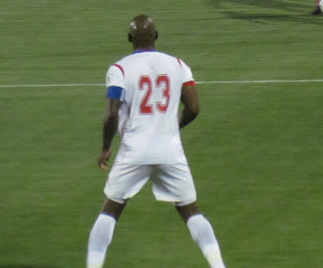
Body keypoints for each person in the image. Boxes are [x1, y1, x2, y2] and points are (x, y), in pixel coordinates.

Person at [86, 15, 227, 268]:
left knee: (109, 213)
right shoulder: (178, 65)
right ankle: (219, 266)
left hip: (133, 152)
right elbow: (193, 108)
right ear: (157, 36)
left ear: (129, 39)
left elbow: (111, 112)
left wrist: (106, 147)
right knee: (191, 212)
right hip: (169, 152)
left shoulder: (119, 69)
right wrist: (171, 126)